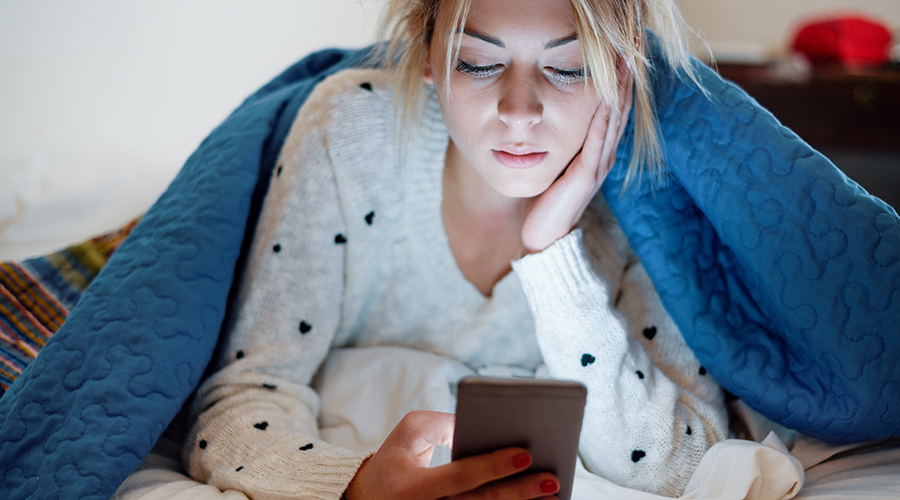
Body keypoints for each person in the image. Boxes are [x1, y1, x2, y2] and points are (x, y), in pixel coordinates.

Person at [181, 0, 728, 498]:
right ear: (426, 54)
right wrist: (355, 484)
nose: (519, 111)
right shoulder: (351, 134)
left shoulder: (650, 193)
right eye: (476, 63)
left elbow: (683, 465)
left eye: (569, 68)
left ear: (621, 74)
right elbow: (239, 401)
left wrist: (553, 252)